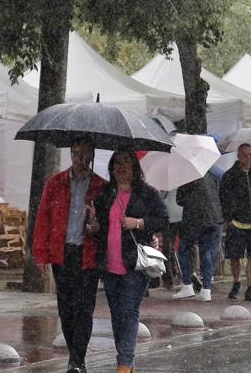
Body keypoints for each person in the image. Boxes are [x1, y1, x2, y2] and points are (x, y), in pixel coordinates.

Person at [87, 150, 167, 373]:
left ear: (135, 167)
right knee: (116, 313)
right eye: (118, 163)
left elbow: (162, 219)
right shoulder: (106, 193)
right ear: (112, 168)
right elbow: (100, 227)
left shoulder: (147, 193)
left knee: (129, 311)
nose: (122, 167)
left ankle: (123, 364)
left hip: (135, 263)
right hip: (109, 263)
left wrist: (138, 223)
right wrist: (92, 226)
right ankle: (127, 362)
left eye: (127, 163)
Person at [32, 140, 105, 373]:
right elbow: (43, 217)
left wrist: (94, 222)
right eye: (77, 154)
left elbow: (105, 225)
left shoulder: (101, 187)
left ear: (92, 157)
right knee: (66, 308)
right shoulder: (55, 183)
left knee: (84, 308)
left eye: (86, 155)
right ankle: (75, 354)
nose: (81, 160)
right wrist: (41, 253)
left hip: (88, 254)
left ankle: (77, 360)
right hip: (62, 253)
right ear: (71, 155)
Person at [219, 143, 251, 302]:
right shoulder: (230, 175)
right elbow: (224, 198)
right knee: (235, 256)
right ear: (239, 156)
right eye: (246, 155)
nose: (249, 158)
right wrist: (229, 219)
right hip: (237, 222)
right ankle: (237, 282)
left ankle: (250, 287)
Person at [174, 170, 223, 301]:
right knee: (207, 252)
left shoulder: (186, 176)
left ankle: (187, 285)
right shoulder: (214, 174)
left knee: (185, 249)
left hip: (193, 218)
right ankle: (206, 288)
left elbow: (180, 199)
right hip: (214, 217)